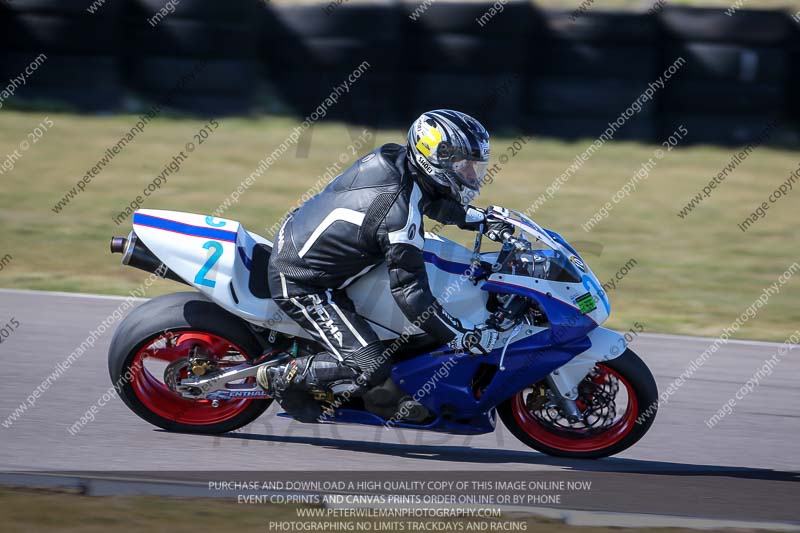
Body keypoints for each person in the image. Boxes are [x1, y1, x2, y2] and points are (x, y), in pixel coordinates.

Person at [258, 109, 513, 419]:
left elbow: (427, 199)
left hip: (310, 241)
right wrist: (460, 335)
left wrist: (478, 220)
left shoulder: (395, 158)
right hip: (304, 282)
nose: (472, 176)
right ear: (435, 159)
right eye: (464, 166)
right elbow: (412, 296)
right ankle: (283, 376)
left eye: (475, 167)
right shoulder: (397, 213)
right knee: (373, 366)